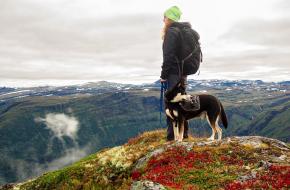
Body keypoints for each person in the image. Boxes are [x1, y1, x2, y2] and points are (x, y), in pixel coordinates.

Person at [160, 6, 190, 141]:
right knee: (182, 103)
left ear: (169, 18)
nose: (163, 20)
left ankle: (172, 137)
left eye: (165, 17)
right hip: (182, 73)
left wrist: (163, 75)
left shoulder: (171, 32)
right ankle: (184, 134)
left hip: (173, 73)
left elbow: (168, 56)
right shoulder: (182, 31)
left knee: (171, 105)